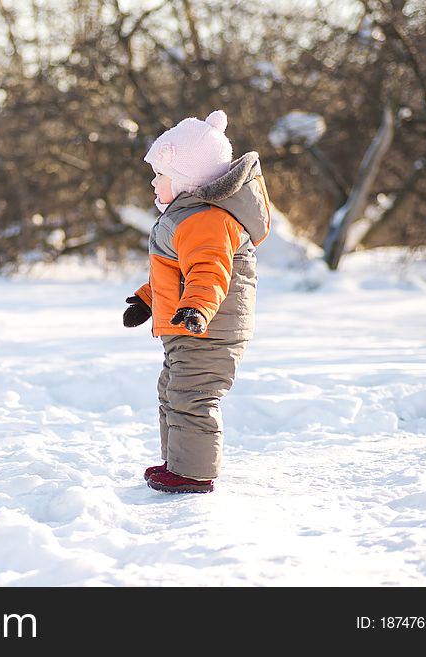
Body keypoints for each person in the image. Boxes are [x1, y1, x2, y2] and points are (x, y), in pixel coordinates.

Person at [123, 110, 271, 493]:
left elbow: (208, 273)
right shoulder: (188, 216)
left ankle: (192, 473)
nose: (154, 182)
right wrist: (147, 299)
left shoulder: (204, 221)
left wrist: (197, 309)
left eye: (160, 175)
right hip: (190, 327)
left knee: (192, 395)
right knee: (173, 390)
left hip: (208, 329)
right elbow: (176, 272)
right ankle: (179, 462)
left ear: (187, 181)